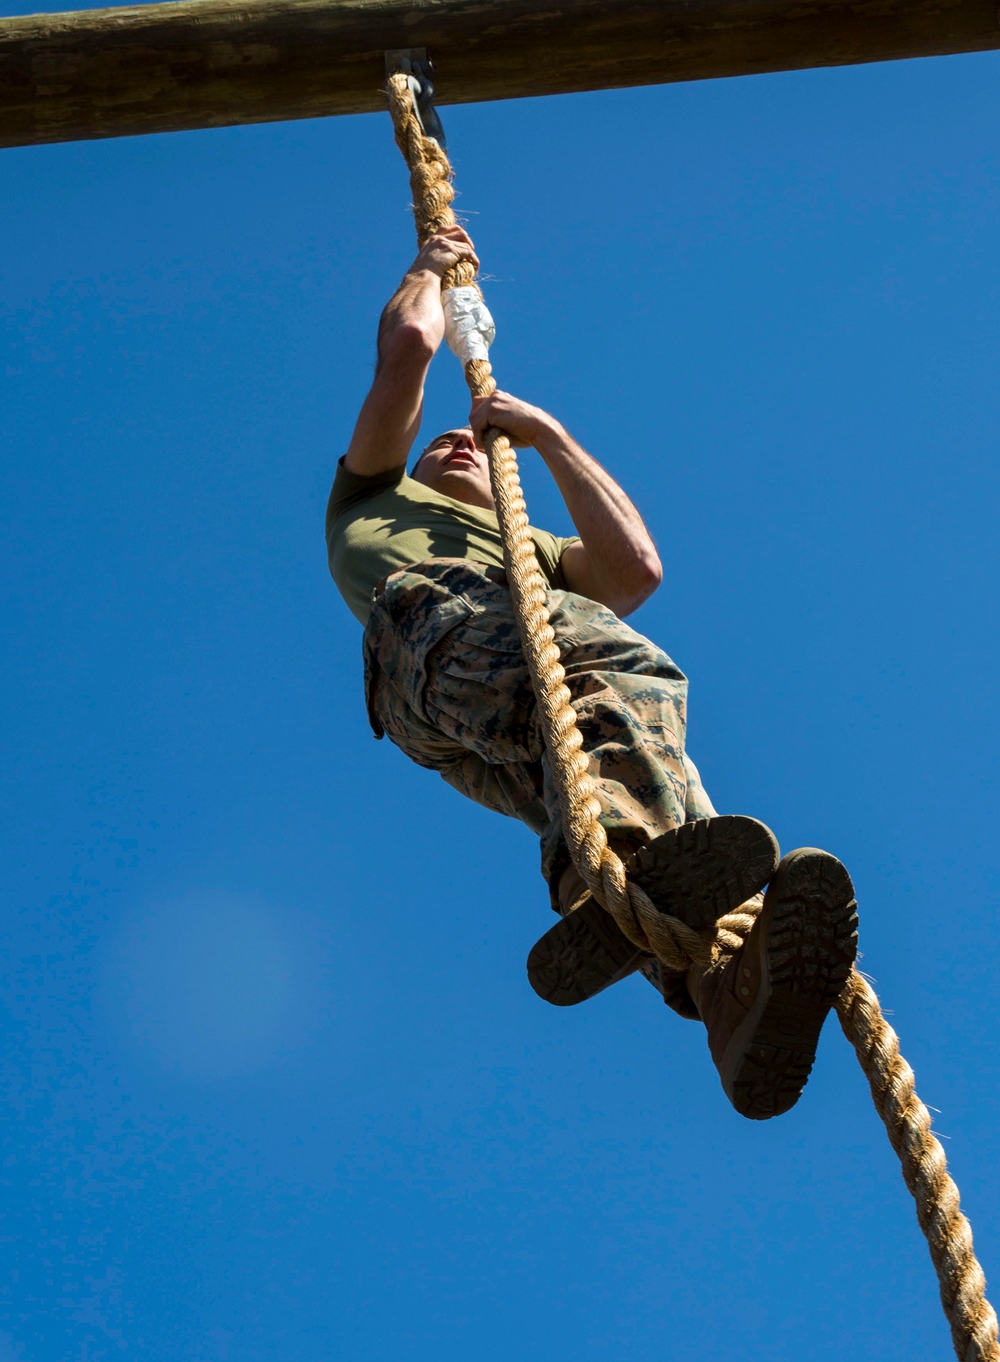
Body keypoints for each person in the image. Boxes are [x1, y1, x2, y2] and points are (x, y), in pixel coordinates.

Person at [326, 224, 858, 1121]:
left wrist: (550, 440)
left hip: (490, 723)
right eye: (439, 443)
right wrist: (430, 272)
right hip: (430, 635)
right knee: (615, 664)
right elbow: (411, 350)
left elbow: (637, 571)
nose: (456, 440)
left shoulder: (535, 546)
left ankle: (721, 990)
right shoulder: (373, 497)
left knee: (644, 757)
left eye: (469, 439)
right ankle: (620, 877)